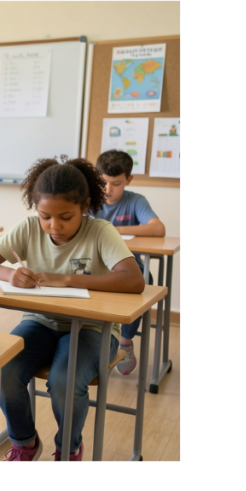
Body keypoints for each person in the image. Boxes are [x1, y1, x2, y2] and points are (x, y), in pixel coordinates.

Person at [0, 156, 144, 461]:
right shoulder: (28, 228)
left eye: (66, 216)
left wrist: (68, 279)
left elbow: (134, 280)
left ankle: (68, 449)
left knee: (64, 382)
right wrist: (9, 273)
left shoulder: (100, 231)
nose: (54, 226)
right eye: (45, 216)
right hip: (40, 321)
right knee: (3, 372)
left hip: (93, 327)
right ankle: (24, 442)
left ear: (85, 206)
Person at [94, 149, 167, 375]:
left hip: (127, 267)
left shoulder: (135, 201)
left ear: (129, 180)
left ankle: (125, 341)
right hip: (94, 265)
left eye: (116, 183)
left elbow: (158, 228)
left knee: (145, 280)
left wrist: (112, 230)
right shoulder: (88, 199)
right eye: (103, 182)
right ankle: (88, 338)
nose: (108, 190)